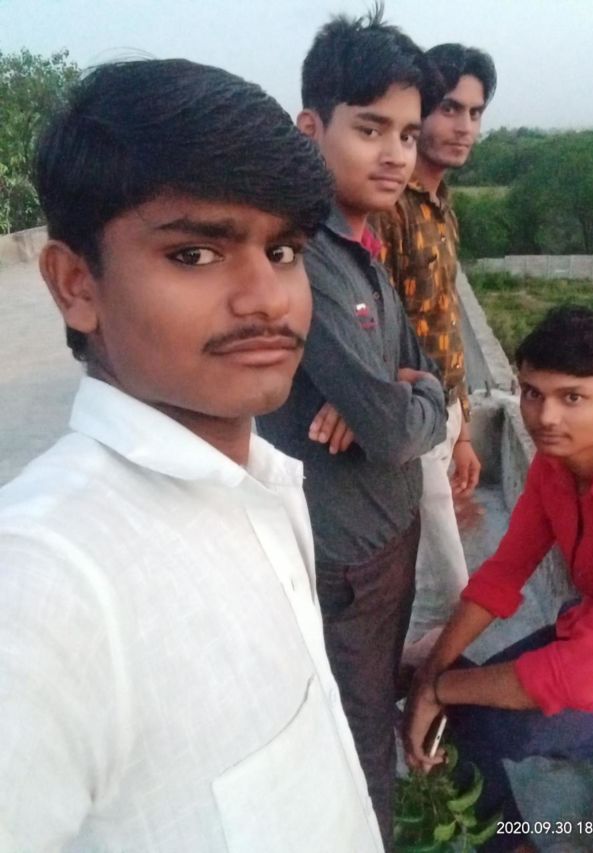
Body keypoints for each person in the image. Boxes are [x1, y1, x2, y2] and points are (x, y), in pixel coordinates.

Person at [0, 59, 386, 852]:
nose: (267, 298)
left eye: (284, 251)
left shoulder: (267, 482)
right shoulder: (44, 583)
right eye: (196, 255)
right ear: (76, 285)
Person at [257, 9, 446, 849]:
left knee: (365, 707)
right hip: (348, 558)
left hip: (386, 534)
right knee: (361, 733)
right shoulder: (311, 258)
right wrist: (399, 403)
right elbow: (398, 431)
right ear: (311, 128)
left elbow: (418, 378)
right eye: (371, 129)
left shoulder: (362, 242)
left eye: (407, 133)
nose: (397, 153)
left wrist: (408, 389)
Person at [403, 306, 593, 851]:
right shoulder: (555, 468)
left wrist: (439, 689)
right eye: (532, 393)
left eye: (572, 397)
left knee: (471, 720)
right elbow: (503, 574)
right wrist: (431, 676)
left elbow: (579, 677)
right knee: (437, 691)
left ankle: (508, 842)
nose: (545, 416)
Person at [375, 43, 497, 653]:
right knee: (446, 592)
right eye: (450, 108)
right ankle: (405, 698)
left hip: (443, 414)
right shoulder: (389, 209)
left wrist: (464, 430)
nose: (465, 126)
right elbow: (370, 324)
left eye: (475, 112)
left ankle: (405, 694)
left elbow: (444, 320)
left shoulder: (440, 207)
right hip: (407, 418)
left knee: (433, 591)